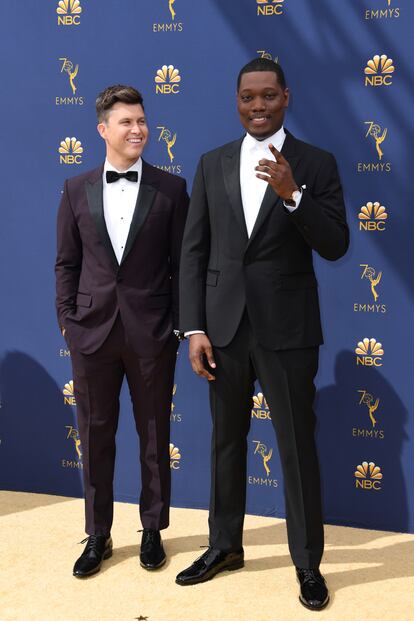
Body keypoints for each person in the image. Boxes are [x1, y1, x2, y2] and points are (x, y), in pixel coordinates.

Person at [176, 58, 349, 610]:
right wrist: (194, 327)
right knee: (225, 443)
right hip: (223, 329)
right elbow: (194, 252)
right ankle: (224, 545)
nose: (258, 106)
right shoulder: (211, 163)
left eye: (268, 96)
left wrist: (294, 196)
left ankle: (308, 565)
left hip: (287, 329)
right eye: (248, 97)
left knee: (296, 448)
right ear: (237, 101)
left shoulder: (316, 163)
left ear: (286, 98)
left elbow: (336, 244)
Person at [55, 85, 189, 577]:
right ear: (102, 129)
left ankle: (153, 530)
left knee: (154, 435)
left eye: (142, 121)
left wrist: (174, 326)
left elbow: (184, 266)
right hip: (90, 333)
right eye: (126, 122)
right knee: (94, 436)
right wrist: (68, 322)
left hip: (152, 333)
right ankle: (98, 535)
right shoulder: (75, 189)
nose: (138, 130)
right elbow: (66, 264)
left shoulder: (171, 190)